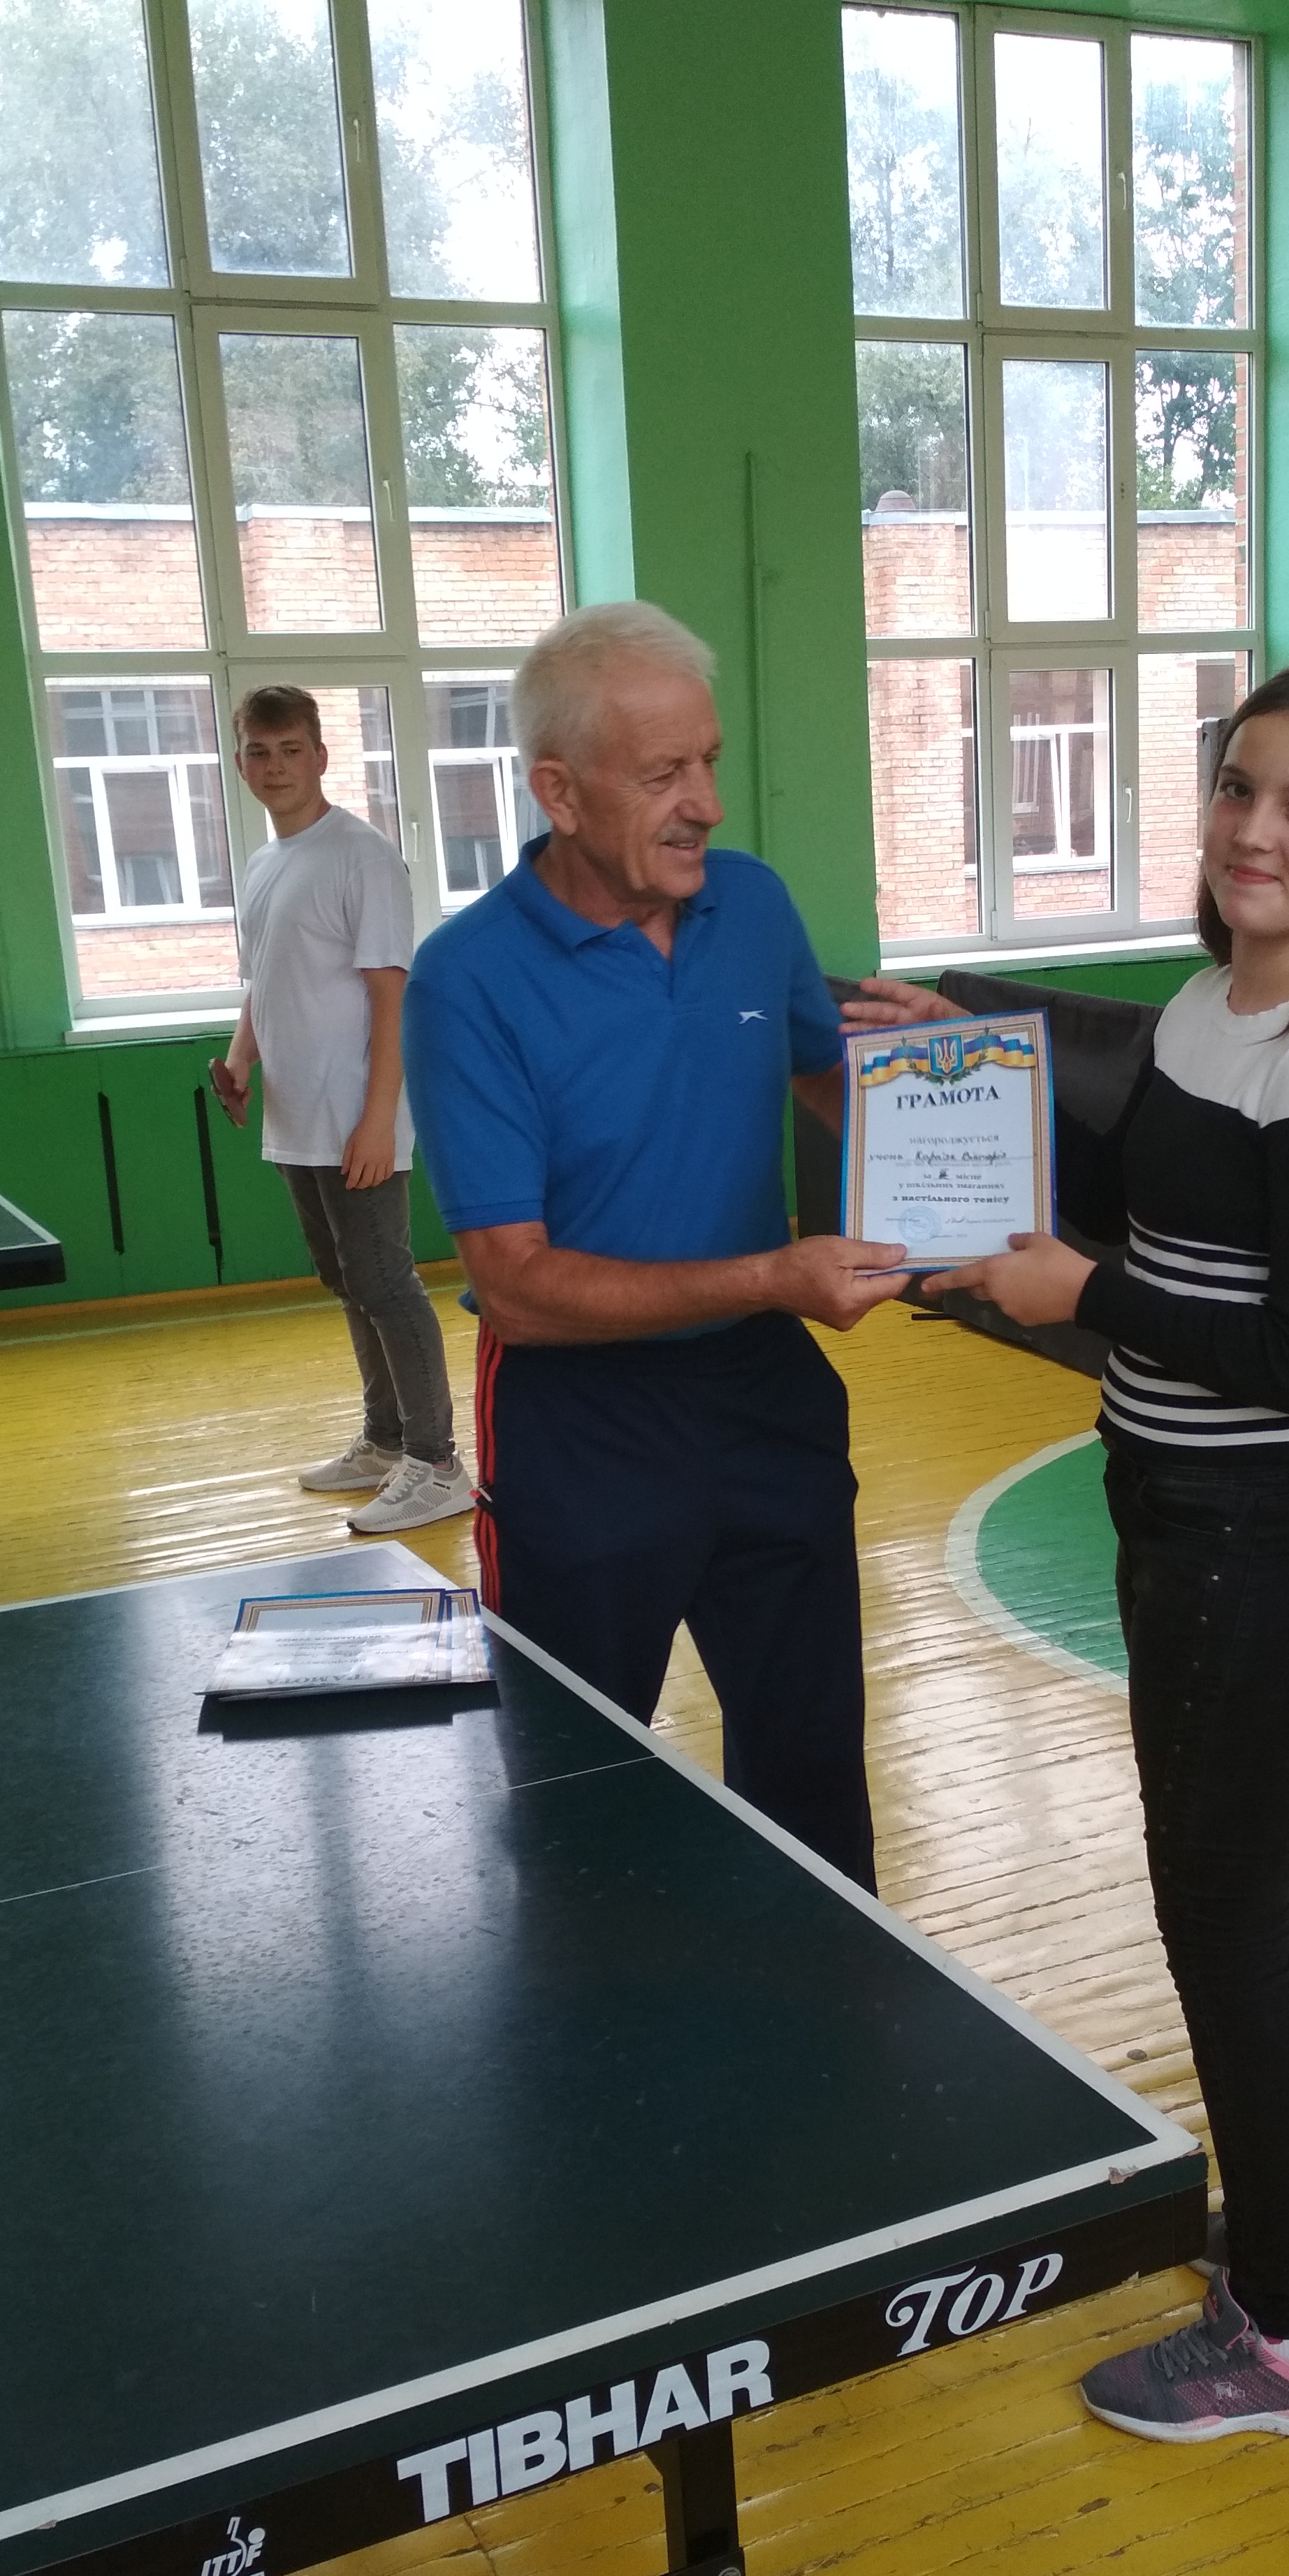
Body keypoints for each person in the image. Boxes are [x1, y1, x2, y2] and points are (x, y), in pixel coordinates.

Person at [845, 661, 1289, 2441]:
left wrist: (1082, 1295)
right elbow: (1152, 1167)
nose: (1253, 832)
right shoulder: (1220, 1003)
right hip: (1197, 1524)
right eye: (1237, 791)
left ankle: (1284, 2339)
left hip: (1255, 1542)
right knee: (1281, 1893)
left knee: (1222, 1927)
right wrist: (954, 1051)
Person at [402, 604, 907, 1890]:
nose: (707, 807)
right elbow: (516, 1286)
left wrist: (947, 1091)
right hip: (582, 1423)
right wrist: (773, 1274)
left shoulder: (754, 907)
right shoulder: (466, 979)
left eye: (711, 763)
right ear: (559, 791)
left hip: (767, 1397)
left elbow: (824, 1072)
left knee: (811, 1781)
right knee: (580, 1793)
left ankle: (827, 2006)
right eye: (665, 775)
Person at [209, 687, 472, 1536]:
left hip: (359, 1113)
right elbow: (265, 980)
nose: (275, 766)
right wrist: (241, 1062)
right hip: (296, 1115)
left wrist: (378, 1118)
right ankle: (385, 1439)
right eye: (259, 751)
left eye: (291, 749)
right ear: (241, 761)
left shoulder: (362, 856)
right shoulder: (264, 863)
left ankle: (437, 1464)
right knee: (348, 1281)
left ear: (321, 756)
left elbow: (392, 995)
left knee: (386, 1281)